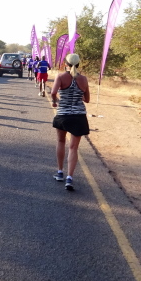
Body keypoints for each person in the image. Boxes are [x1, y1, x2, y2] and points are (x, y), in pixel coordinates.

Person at [50, 53, 90, 191]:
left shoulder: (61, 77)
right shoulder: (84, 79)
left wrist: (55, 101)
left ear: (65, 64)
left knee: (61, 141)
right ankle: (69, 178)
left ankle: (60, 172)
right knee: (73, 148)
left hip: (63, 115)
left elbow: (53, 92)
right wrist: (77, 96)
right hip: (79, 116)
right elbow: (87, 99)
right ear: (78, 64)